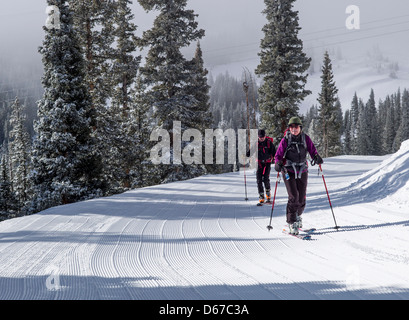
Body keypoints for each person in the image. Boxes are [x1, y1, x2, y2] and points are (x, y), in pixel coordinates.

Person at [274, 117, 323, 235]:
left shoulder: (305, 139)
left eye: (296, 127)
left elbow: (312, 151)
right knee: (293, 196)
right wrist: (278, 163)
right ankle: (291, 223)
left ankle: (297, 215)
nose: (294, 129)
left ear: (300, 128)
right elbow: (278, 155)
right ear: (289, 128)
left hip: (302, 169)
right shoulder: (286, 140)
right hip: (288, 170)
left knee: (301, 198)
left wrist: (316, 157)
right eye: (291, 127)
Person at [252, 129, 276, 204]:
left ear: (265, 136)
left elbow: (274, 152)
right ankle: (261, 195)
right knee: (259, 179)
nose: (261, 138)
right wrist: (246, 155)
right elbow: (251, 151)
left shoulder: (269, 143)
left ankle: (268, 193)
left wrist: (277, 159)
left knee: (266, 178)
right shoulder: (256, 143)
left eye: (262, 137)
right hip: (259, 163)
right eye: (260, 137)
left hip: (267, 163)